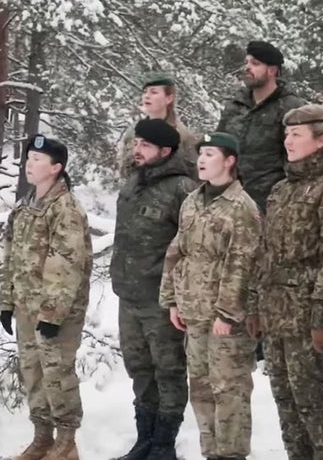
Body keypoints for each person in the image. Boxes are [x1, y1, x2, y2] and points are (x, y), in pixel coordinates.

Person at [255, 103, 323, 460]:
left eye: (296, 134)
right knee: (284, 399)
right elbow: (265, 253)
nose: (288, 140)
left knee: (311, 401)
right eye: (286, 133)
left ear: (320, 139)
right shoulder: (281, 190)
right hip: (276, 312)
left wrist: (322, 316)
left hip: (309, 316)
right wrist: (257, 306)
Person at [160, 132, 261, 460]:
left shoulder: (241, 207)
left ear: (230, 161)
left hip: (223, 320)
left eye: (210, 154)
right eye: (200, 154)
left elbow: (243, 265)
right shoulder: (193, 200)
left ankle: (231, 455)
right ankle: (211, 452)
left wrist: (228, 313)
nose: (202, 160)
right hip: (194, 313)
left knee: (229, 390)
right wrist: (172, 300)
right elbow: (177, 251)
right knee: (201, 389)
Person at [0, 135, 92, 460]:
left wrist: (51, 316)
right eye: (28, 158)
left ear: (56, 168)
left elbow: (65, 265)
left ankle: (66, 442)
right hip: (27, 308)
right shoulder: (26, 205)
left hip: (56, 313)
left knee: (57, 375)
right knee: (33, 373)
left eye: (38, 159)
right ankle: (42, 436)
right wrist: (7, 302)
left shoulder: (65, 209)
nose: (29, 163)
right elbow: (10, 255)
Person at [110, 120, 196, 460]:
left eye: (145, 145)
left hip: (162, 300)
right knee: (140, 370)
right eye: (137, 143)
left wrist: (178, 295)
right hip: (129, 296)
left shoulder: (183, 189)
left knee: (169, 370)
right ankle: (144, 439)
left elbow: (190, 247)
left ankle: (164, 445)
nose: (137, 149)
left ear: (165, 151)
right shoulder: (133, 183)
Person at [217, 40, 304, 363]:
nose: (247, 67)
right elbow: (221, 152)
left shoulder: (291, 108)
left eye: (254, 63)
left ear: (272, 70)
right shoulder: (234, 106)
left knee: (266, 274)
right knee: (233, 269)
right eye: (246, 62)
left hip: (272, 205)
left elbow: (296, 162)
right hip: (232, 203)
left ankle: (266, 342)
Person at [119, 73, 199, 178]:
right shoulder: (133, 131)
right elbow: (124, 170)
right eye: (145, 92)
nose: (147, 96)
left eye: (154, 92)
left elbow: (194, 174)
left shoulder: (182, 135)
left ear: (169, 98)